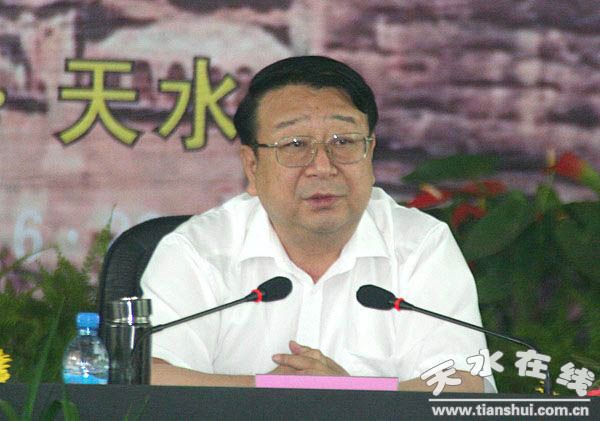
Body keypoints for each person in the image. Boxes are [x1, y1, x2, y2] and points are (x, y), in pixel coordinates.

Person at [141, 55, 494, 392]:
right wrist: (272, 392)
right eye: (295, 144)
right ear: (252, 166)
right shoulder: (198, 251)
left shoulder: (420, 246)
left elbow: (463, 383)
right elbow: (149, 376)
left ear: (370, 153)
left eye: (344, 142)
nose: (323, 166)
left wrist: (353, 397)